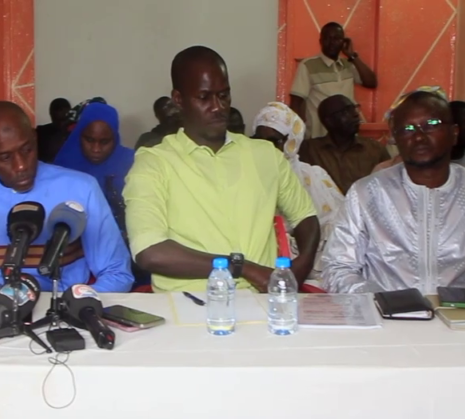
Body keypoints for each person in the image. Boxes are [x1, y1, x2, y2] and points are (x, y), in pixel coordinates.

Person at [125, 46, 320, 293]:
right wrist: (241, 267)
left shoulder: (266, 155)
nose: (218, 107)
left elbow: (305, 217)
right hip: (187, 305)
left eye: (224, 95)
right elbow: (150, 252)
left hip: (261, 304)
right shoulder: (154, 162)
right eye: (204, 97)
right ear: (178, 100)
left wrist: (300, 268)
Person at [322, 91, 465, 294]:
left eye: (431, 125)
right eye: (407, 129)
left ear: (454, 133)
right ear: (395, 139)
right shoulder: (367, 194)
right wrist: (378, 300)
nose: (418, 136)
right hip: (386, 316)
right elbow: (338, 267)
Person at [0, 102, 133, 297]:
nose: (21, 165)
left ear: (34, 138)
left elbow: (117, 273)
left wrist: (73, 304)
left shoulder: (81, 188)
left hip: (61, 310)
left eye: (26, 149)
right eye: (5, 157)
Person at [252, 102, 343, 281]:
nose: (265, 147)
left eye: (273, 141)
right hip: (259, 268)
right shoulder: (246, 175)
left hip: (313, 269)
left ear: (292, 142)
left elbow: (335, 230)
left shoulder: (313, 177)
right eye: (258, 139)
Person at [54, 102, 135, 241]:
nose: (96, 149)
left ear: (115, 138)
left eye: (105, 142)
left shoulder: (131, 163)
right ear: (79, 135)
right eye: (89, 140)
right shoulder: (64, 166)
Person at [290, 22, 378, 139]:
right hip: (319, 136)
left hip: (347, 135)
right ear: (321, 41)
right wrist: (297, 134)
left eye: (337, 39)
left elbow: (371, 82)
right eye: (327, 38)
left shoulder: (348, 64)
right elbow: (296, 102)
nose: (332, 42)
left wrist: (352, 56)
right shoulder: (308, 65)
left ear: (343, 42)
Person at [299, 94, 390, 193]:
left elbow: (390, 185)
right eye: (346, 111)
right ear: (329, 121)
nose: (355, 115)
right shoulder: (308, 150)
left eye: (354, 109)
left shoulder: (375, 149)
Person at [36, 97, 71, 163]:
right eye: (57, 121)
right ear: (51, 114)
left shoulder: (77, 132)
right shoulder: (41, 132)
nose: (61, 124)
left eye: (64, 120)